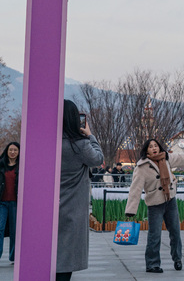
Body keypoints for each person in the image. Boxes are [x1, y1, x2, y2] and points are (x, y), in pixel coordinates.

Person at [125, 139, 184, 273]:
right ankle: (152, 264)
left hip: (170, 200)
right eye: (150, 146)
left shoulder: (166, 158)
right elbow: (135, 188)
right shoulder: (142, 167)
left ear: (159, 148)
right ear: (146, 150)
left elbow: (181, 158)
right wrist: (131, 209)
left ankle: (177, 259)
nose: (154, 148)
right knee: (155, 235)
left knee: (175, 232)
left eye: (156, 146)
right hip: (155, 204)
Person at [57, 100, 104, 281]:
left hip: (50, 204)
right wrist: (90, 136)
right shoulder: (80, 145)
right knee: (67, 254)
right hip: (73, 205)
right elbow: (97, 158)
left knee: (50, 251)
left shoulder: (48, 144)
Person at [0, 142, 20, 263]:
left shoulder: (22, 166)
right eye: (10, 150)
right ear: (7, 151)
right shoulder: (1, 165)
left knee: (14, 230)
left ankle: (13, 256)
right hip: (2, 203)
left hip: (15, 203)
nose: (12, 152)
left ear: (18, 152)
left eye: (15, 150)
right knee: (0, 228)